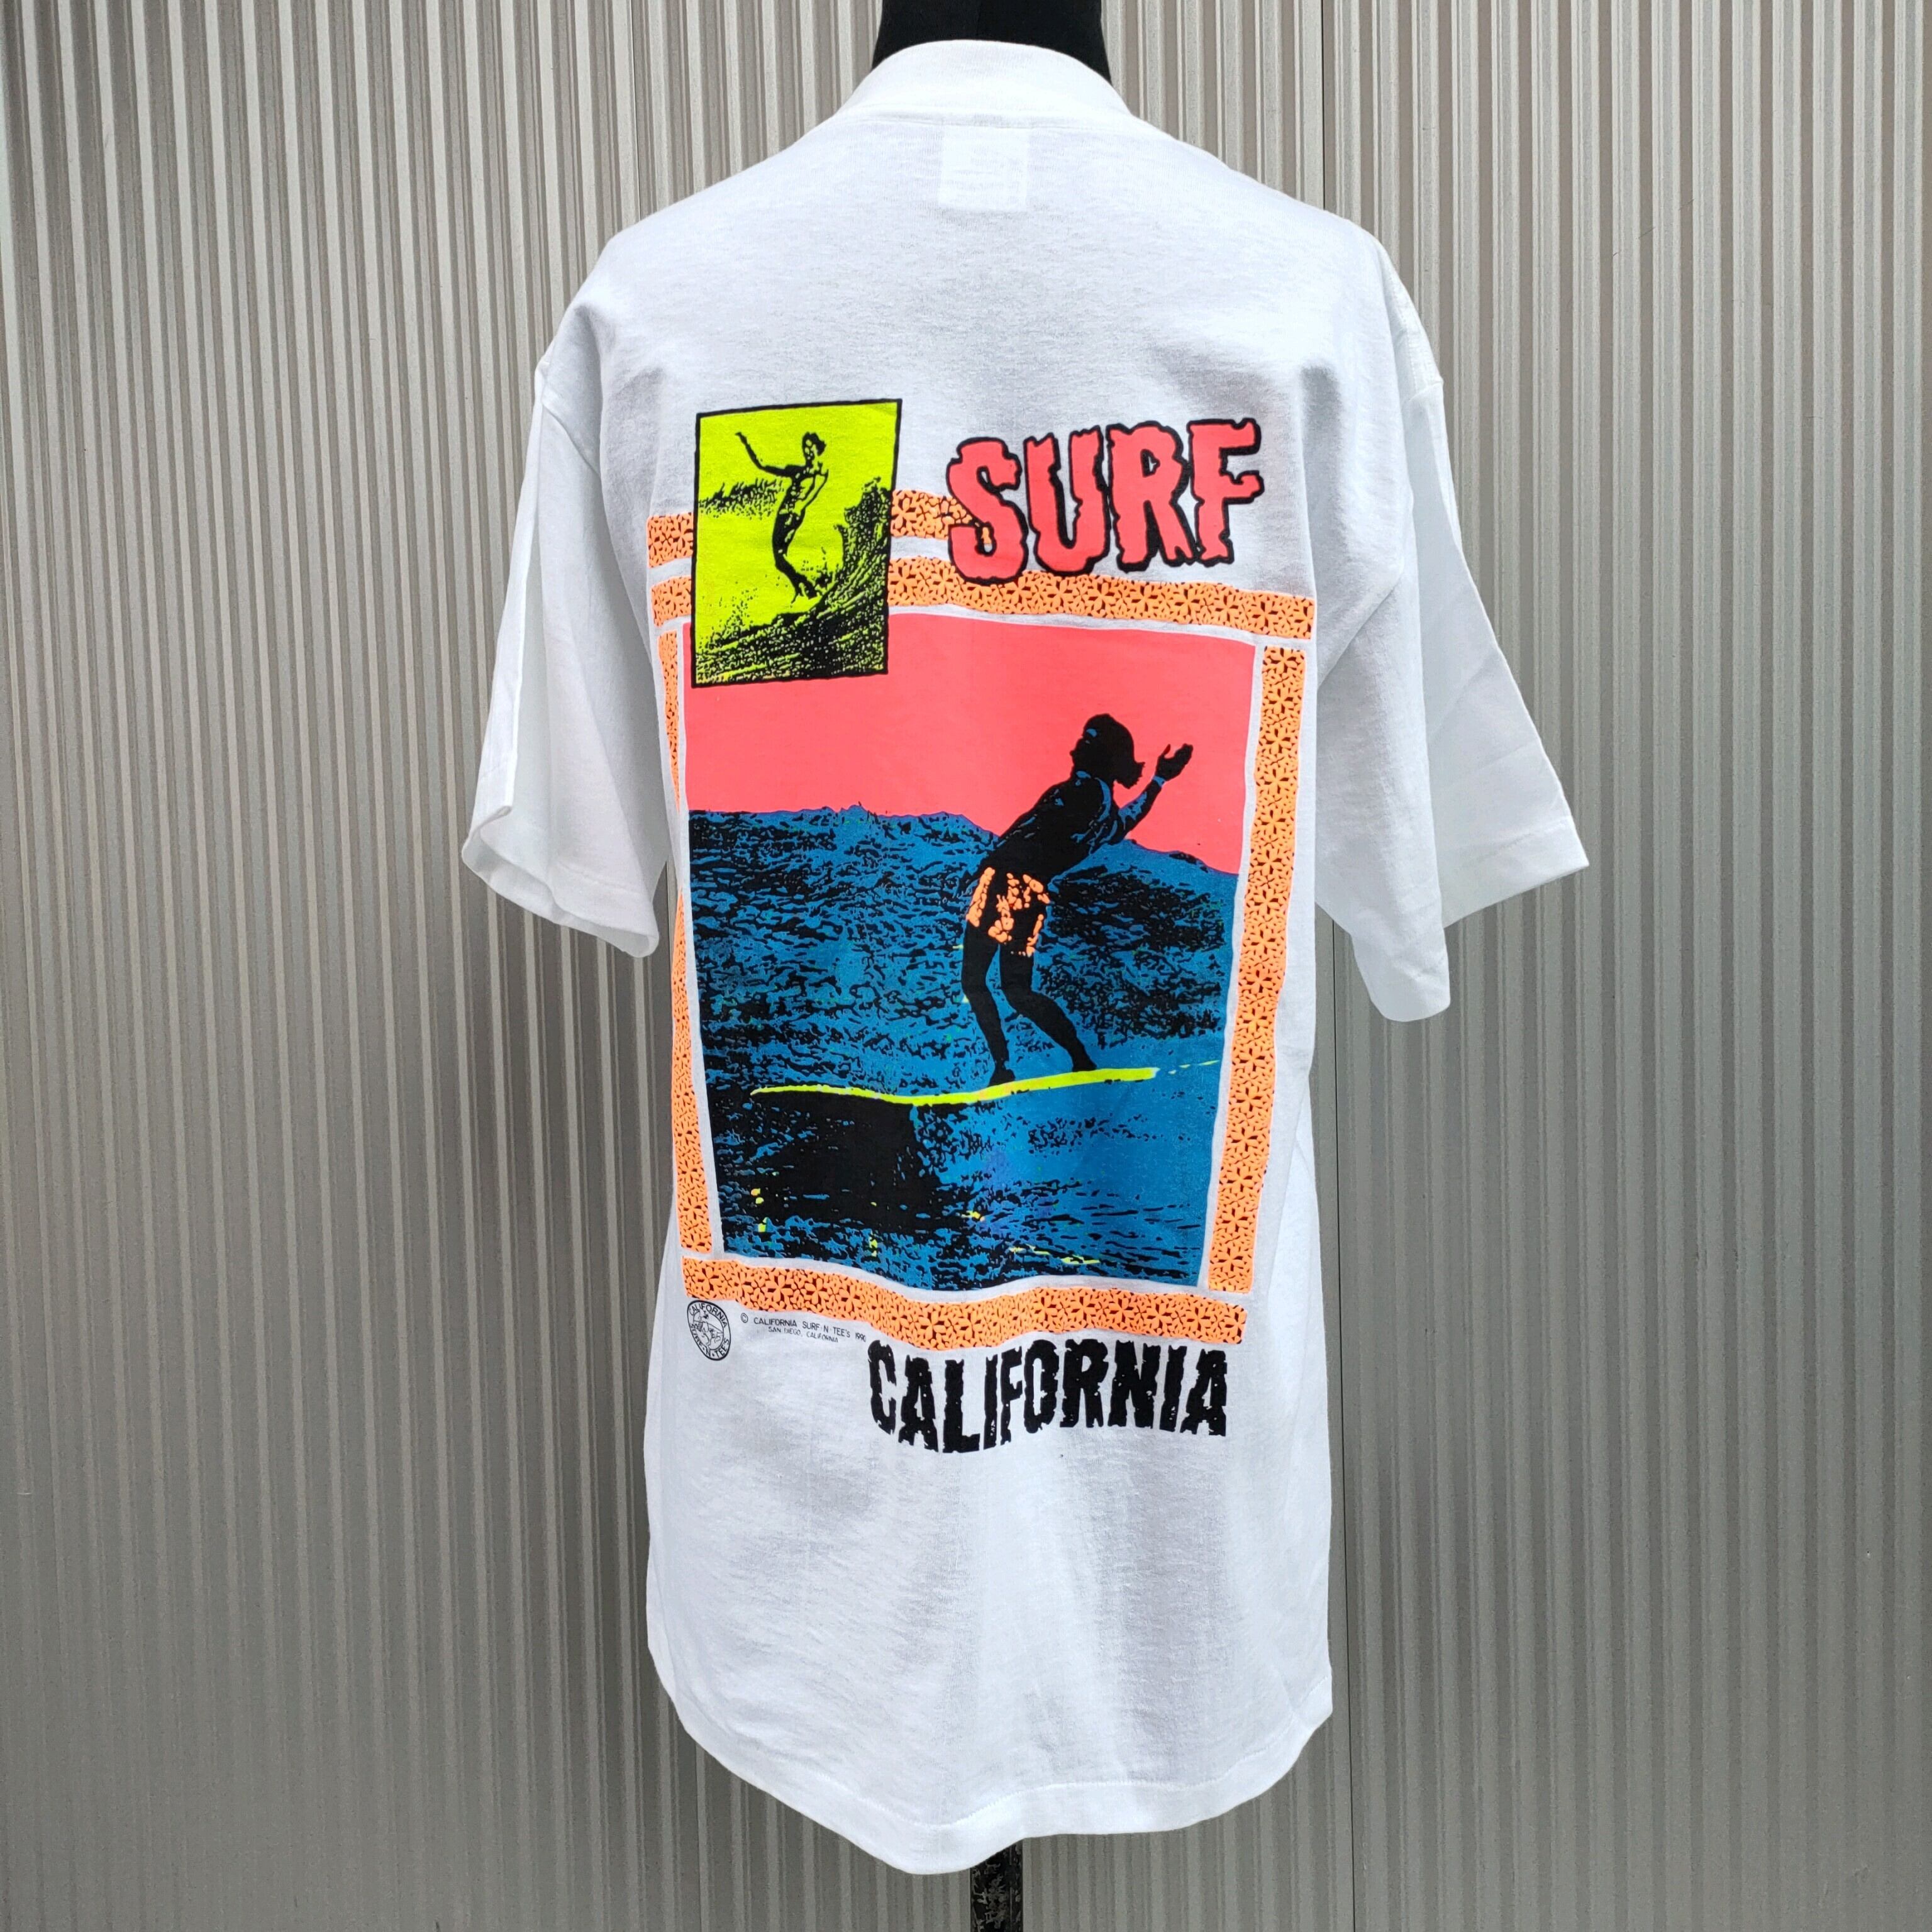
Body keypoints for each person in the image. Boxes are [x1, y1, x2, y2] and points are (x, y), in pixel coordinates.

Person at [962, 713, 1193, 1087]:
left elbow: (1029, 832)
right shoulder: (1103, 807)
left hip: (1005, 889)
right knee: (1017, 990)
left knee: (976, 981)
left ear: (1098, 755)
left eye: (1085, 745)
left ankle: (1004, 1067)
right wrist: (1159, 781)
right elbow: (1123, 823)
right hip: (1031, 897)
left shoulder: (1080, 793)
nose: (1074, 751)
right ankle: (1077, 1056)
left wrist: (987, 863)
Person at [737, 428, 830, 597]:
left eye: (810, 447)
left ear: (818, 448)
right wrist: (747, 445)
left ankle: (809, 585)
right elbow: (763, 465)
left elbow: (813, 492)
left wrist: (798, 508)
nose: (807, 451)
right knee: (779, 560)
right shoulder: (798, 471)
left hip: (792, 515)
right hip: (783, 513)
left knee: (780, 556)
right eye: (805, 447)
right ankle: (804, 587)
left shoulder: (820, 472)